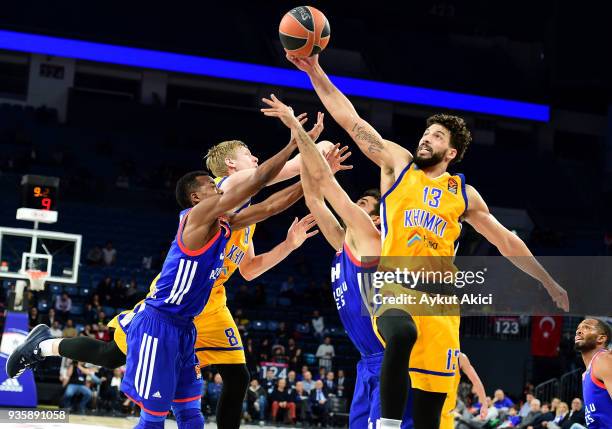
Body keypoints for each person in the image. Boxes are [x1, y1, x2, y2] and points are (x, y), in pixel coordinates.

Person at [286, 53, 569, 429]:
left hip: (441, 303)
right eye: (426, 132)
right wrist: (314, 70)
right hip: (394, 286)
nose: (425, 137)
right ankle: (385, 424)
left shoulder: (464, 195)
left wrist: (547, 280)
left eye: (436, 136)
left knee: (429, 414)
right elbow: (349, 118)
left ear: (451, 152)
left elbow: (507, 242)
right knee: (399, 332)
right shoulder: (397, 165)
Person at [8, 138, 300, 429]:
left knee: (201, 404)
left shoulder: (230, 220)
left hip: (194, 317)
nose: (216, 187)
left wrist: (312, 189)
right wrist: (304, 147)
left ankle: (46, 346)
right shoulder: (216, 199)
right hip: (163, 318)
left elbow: (270, 208)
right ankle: (45, 346)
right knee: (120, 369)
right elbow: (261, 180)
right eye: (249, 155)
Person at [261, 93, 413, 428]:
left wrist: (303, 139)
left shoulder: (371, 238)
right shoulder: (345, 242)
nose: (356, 206)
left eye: (363, 203)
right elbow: (315, 198)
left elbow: (328, 187)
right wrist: (307, 163)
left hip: (391, 362)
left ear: (375, 218)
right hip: (367, 363)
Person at [574, 318, 612, 428]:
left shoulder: (603, 359)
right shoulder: (586, 373)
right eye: (578, 328)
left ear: (601, 338)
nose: (579, 331)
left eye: (587, 327)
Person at [441, 352, 487, 429]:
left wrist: (484, 403)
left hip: (446, 411)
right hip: (437, 408)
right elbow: (476, 381)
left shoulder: (459, 357)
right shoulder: (460, 357)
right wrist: (484, 404)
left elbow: (476, 381)